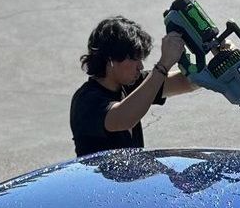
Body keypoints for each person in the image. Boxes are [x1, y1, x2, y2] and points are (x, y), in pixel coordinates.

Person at [70, 16, 200, 158]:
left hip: (133, 179)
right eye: (134, 59)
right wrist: (163, 65)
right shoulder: (86, 101)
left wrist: (220, 60)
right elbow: (123, 118)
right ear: (110, 59)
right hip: (98, 180)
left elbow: (188, 82)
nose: (140, 66)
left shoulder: (130, 83)